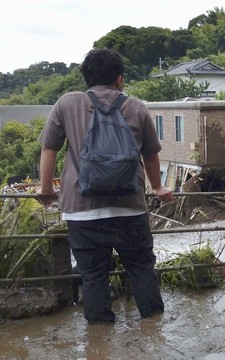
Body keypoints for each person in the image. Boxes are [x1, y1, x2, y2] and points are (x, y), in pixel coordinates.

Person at [36, 48, 174, 324]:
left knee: (94, 276)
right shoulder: (136, 106)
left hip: (81, 209)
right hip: (130, 208)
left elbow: (49, 148)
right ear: (120, 80)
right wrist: (157, 187)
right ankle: (153, 332)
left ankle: (99, 346)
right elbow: (150, 154)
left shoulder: (66, 104)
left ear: (86, 78)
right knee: (142, 270)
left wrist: (45, 189)